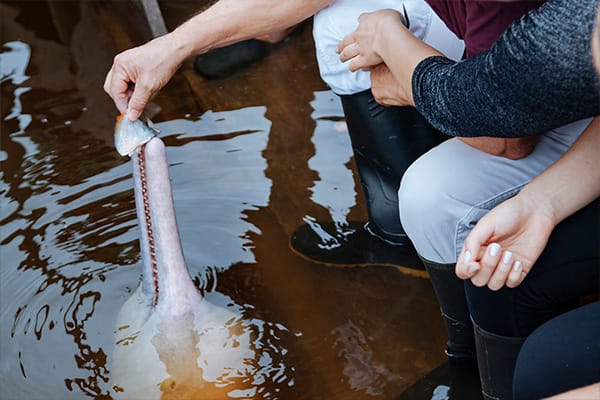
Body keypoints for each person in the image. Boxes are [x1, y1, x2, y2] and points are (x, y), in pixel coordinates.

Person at [338, 0, 599, 398]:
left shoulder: (572, 22)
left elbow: (498, 127)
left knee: (544, 364)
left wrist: (391, 46)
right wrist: (540, 204)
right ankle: (467, 364)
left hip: (528, 102)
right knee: (490, 264)